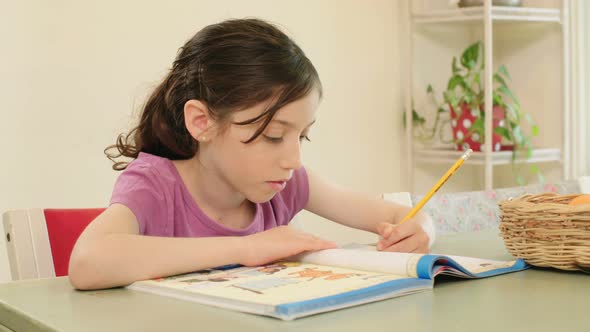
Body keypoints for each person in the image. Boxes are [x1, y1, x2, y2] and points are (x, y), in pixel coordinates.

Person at [69, 18, 434, 290]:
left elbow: (403, 215)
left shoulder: (287, 183)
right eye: (274, 136)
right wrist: (246, 247)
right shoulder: (155, 186)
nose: (293, 159)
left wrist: (420, 230)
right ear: (201, 122)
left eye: (302, 137)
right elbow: (88, 262)